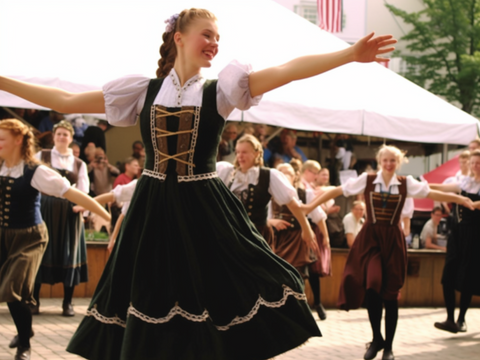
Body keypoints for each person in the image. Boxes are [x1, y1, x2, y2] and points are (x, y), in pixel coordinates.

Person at [0, 8, 397, 359]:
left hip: (203, 206)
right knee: (149, 291)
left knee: (211, 290)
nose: (214, 44)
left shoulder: (220, 90)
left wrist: (349, 54)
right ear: (179, 38)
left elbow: (284, 71)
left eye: (218, 38)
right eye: (207, 35)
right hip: (153, 206)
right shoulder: (144, 91)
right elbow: (63, 101)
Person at [304, 145, 473, 360]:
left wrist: (462, 200)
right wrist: (309, 208)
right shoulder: (367, 180)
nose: (389, 164)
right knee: (372, 286)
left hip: (393, 240)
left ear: (399, 162)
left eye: (393, 160)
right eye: (385, 160)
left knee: (390, 294)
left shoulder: (405, 183)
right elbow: (339, 190)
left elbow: (430, 192)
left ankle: (389, 347)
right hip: (371, 239)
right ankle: (376, 338)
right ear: (379, 160)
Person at [0, 119, 110, 360]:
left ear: (18, 140)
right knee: (9, 290)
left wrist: (103, 213)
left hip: (29, 237)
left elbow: (73, 192)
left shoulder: (36, 170)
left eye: (2, 139)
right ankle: (25, 329)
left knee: (12, 289)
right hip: (2, 235)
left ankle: (24, 345)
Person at [32, 120, 90, 317]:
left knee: (69, 253)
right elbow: (31, 179)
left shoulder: (79, 163)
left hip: (69, 213)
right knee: (41, 251)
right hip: (45, 208)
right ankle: (34, 302)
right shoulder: (42, 155)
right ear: (54, 137)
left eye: (66, 134)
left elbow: (84, 189)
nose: (62, 137)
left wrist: (82, 208)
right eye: (59, 134)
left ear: (71, 139)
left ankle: (67, 303)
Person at [217, 134, 314, 251]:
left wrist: (306, 228)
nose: (239, 156)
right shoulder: (228, 173)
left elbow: (293, 204)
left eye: (244, 152)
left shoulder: (268, 176)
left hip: (256, 236)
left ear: (256, 153)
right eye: (237, 152)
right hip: (231, 233)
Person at [429, 149, 480, 334]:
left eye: (479, 163)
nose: (475, 166)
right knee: (449, 273)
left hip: (475, 235)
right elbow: (444, 189)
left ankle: (461, 319)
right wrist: (422, 185)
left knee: (468, 275)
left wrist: (474, 204)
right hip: (457, 233)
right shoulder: (465, 182)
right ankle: (450, 318)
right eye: (473, 163)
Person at [271, 163, 330, 321]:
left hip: (299, 237)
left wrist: (326, 237)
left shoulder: (303, 193)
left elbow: (318, 215)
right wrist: (272, 222)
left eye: (287, 173)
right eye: (281, 173)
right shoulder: (271, 194)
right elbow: (265, 217)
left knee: (304, 272)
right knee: (281, 273)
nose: (284, 176)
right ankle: (286, 308)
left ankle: (313, 304)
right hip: (279, 238)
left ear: (294, 176)